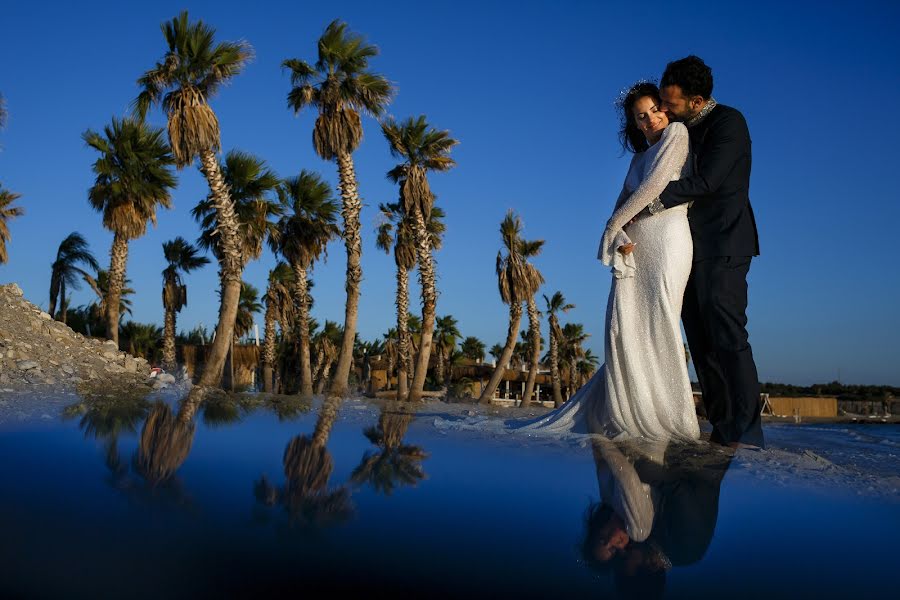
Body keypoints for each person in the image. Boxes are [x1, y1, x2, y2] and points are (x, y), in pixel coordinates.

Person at [514, 81, 699, 442]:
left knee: (660, 321)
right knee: (624, 326)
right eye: (640, 117)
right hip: (635, 247)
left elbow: (655, 187)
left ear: (665, 108)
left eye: (654, 111)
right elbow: (623, 200)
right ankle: (626, 408)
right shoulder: (636, 158)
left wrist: (613, 225)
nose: (649, 121)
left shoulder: (677, 134)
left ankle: (666, 416)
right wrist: (619, 234)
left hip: (668, 241)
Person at [648, 56, 764, 449]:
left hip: (726, 242)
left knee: (727, 333)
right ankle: (721, 425)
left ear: (697, 101)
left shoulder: (730, 122)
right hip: (686, 246)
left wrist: (653, 201)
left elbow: (709, 181)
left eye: (671, 103)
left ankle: (747, 431)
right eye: (662, 101)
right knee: (697, 336)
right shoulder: (679, 128)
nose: (664, 109)